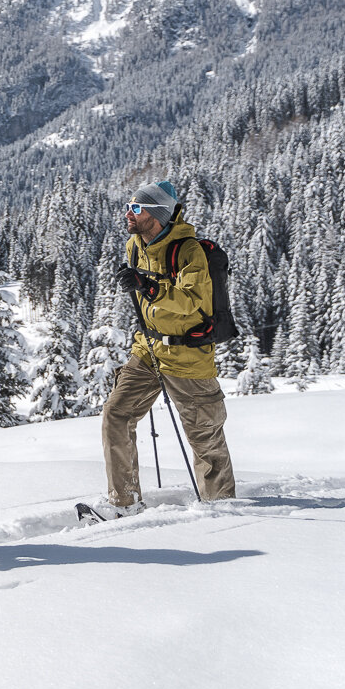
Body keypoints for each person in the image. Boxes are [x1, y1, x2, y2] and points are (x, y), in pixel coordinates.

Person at [98, 180, 237, 512]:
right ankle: (125, 503)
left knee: (204, 435)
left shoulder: (188, 251)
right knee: (116, 415)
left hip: (188, 354)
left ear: (156, 215)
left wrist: (147, 287)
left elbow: (193, 301)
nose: (128, 213)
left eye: (136, 208)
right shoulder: (135, 246)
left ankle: (222, 509)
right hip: (147, 348)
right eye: (129, 206)